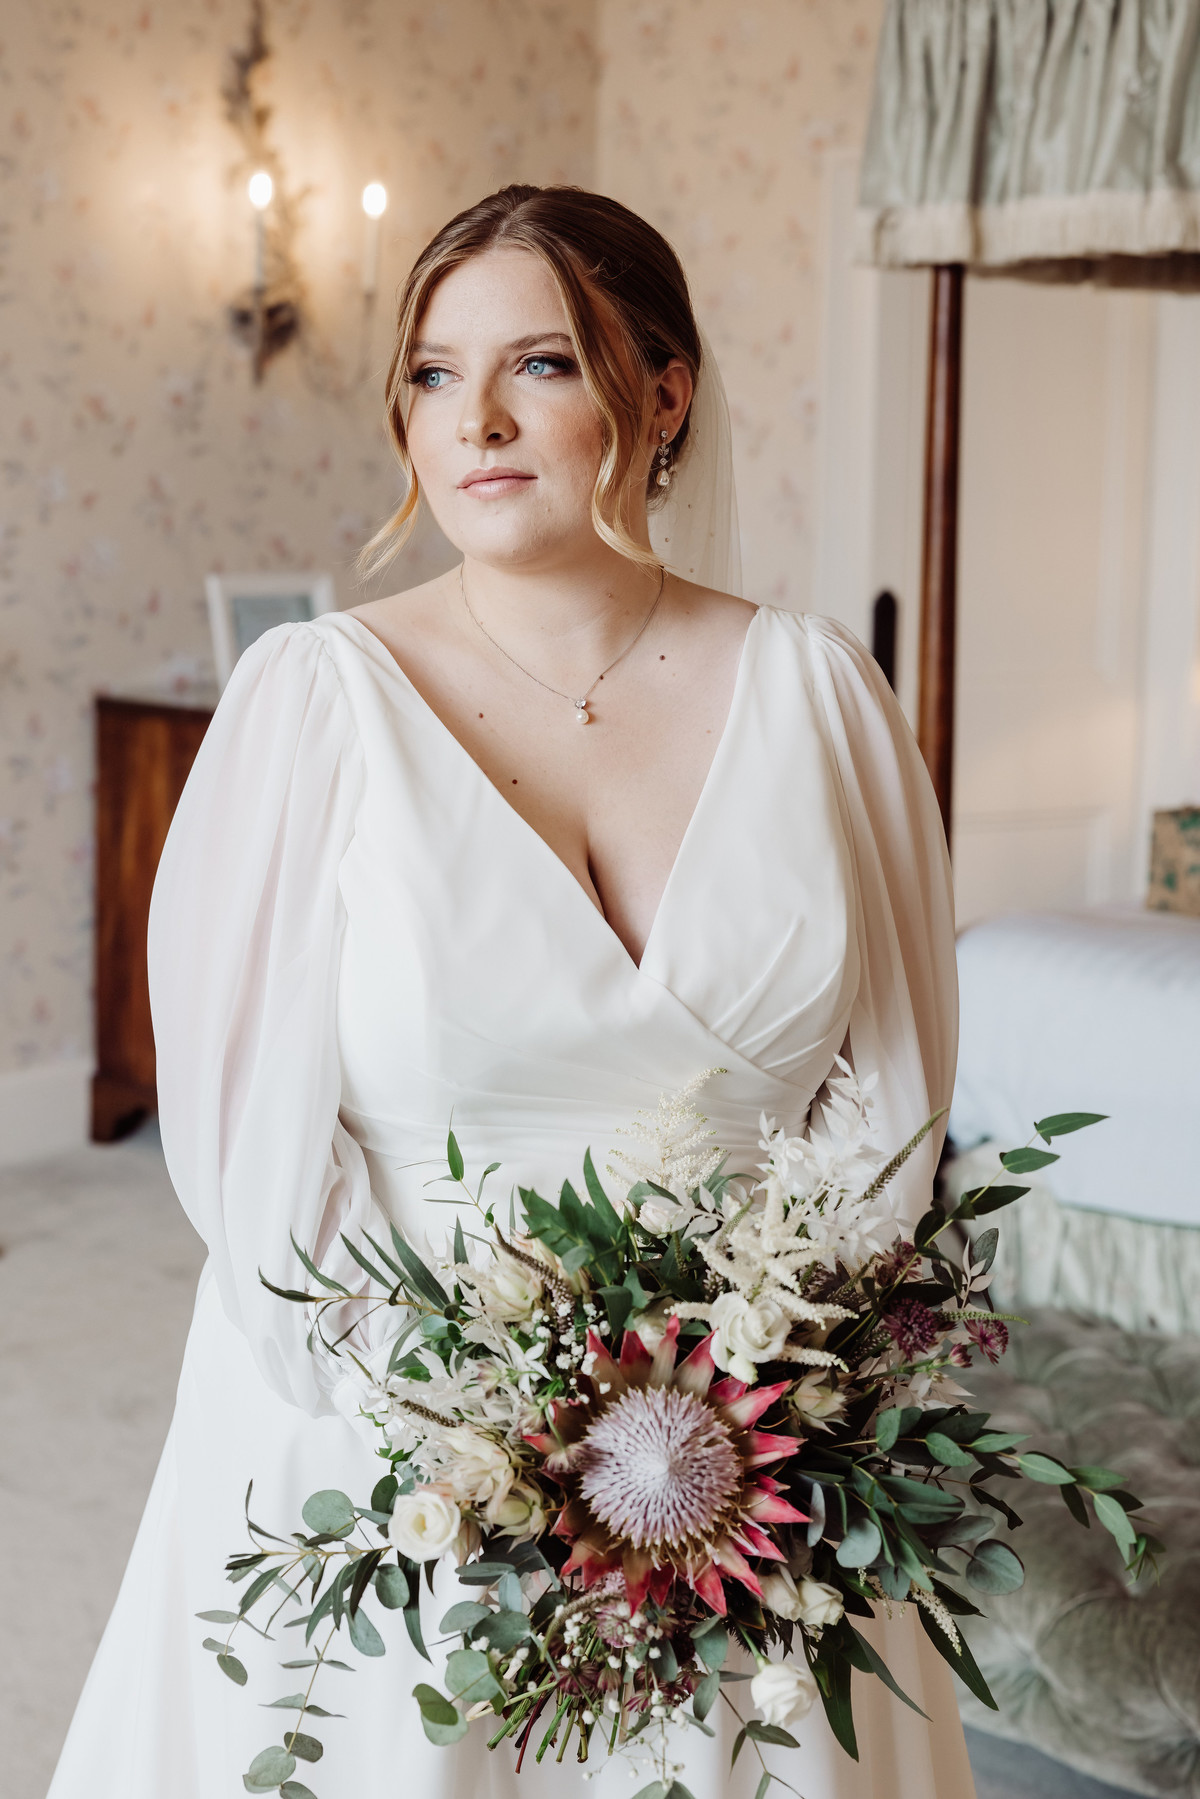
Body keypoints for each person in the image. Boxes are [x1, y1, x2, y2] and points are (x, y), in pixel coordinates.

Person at [48, 185, 973, 1798]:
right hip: (392, 1447)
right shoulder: (313, 707)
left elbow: (891, 1108)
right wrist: (506, 1446)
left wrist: (738, 1412)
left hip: (745, 1457)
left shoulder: (819, 695)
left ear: (662, 391)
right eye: (427, 372)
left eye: (540, 363)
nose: (469, 419)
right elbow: (253, 1163)